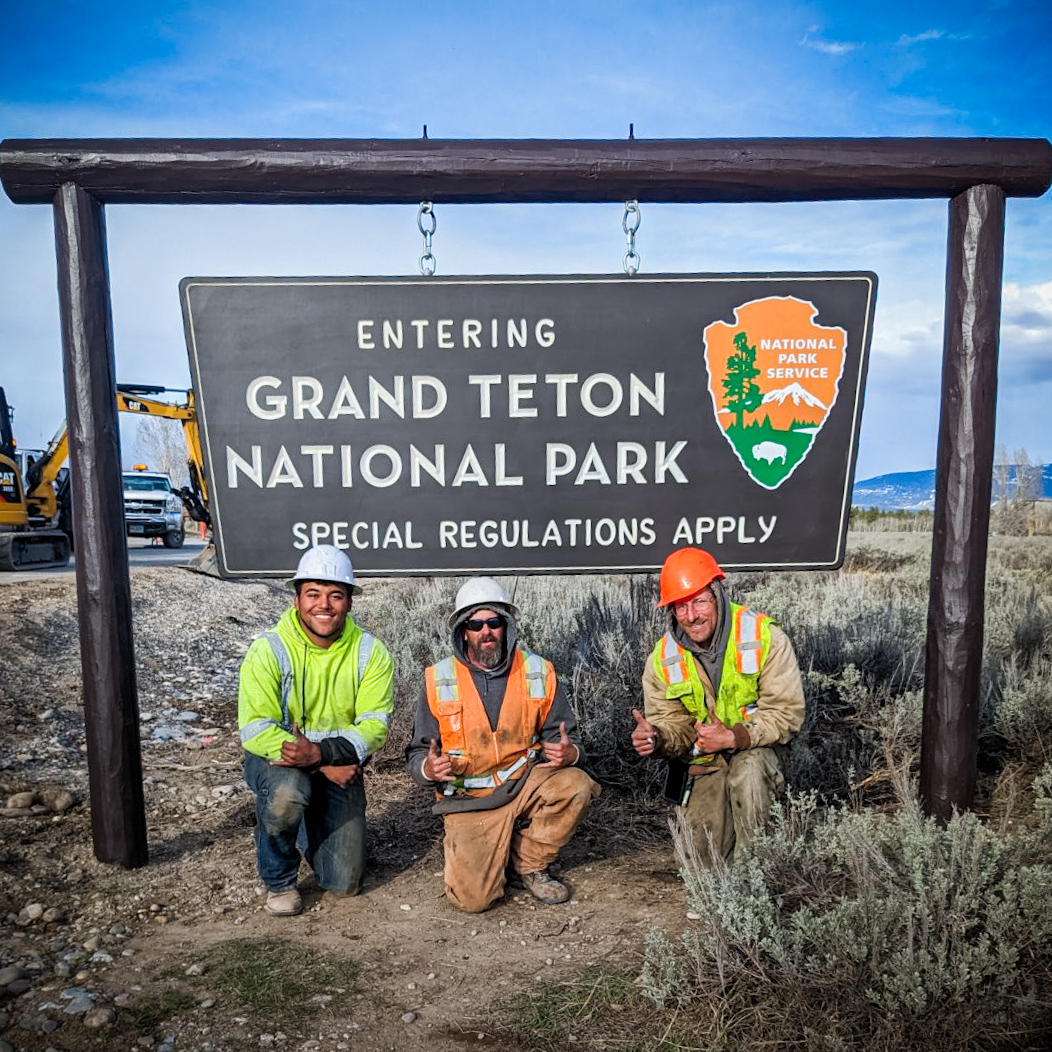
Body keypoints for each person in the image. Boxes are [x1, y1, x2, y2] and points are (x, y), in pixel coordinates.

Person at [407, 577, 600, 913]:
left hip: (524, 782)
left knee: (575, 785)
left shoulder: (538, 671)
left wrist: (571, 753)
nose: (486, 632)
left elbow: (567, 738)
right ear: (463, 631)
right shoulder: (439, 679)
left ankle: (528, 862)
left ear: (506, 626)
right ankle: (488, 851)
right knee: (474, 901)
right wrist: (428, 768)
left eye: (494, 622)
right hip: (469, 800)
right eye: (476, 624)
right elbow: (418, 752)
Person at [238, 544, 394, 916]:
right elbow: (257, 730)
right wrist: (318, 762)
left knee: (344, 882)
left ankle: (311, 824)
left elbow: (376, 727)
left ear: (349, 603)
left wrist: (323, 754)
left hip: (336, 763)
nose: (323, 605)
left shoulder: (370, 652)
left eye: (335, 595)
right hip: (280, 763)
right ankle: (279, 881)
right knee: (288, 794)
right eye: (313, 594)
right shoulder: (268, 650)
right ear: (296, 600)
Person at [631, 547, 804, 862]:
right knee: (703, 866)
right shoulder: (662, 659)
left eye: (699, 601)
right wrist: (657, 737)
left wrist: (734, 737)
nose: (691, 616)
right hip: (706, 761)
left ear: (718, 595)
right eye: (680, 606)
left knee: (749, 776)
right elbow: (675, 726)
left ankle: (758, 877)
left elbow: (786, 713)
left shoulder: (765, 637)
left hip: (759, 751)